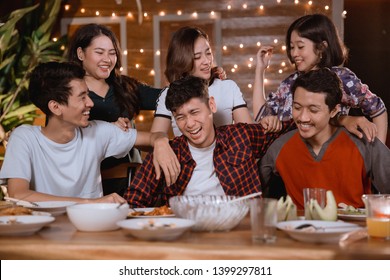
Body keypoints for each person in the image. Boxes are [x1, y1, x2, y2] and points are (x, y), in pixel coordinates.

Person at [0, 62, 179, 203]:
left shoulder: (97, 132)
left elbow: (153, 137)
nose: (91, 104)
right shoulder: (24, 137)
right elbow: (18, 194)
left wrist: (161, 141)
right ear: (55, 107)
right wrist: (88, 203)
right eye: (82, 97)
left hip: (89, 229)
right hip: (39, 235)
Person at [124, 75, 295, 207]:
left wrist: (274, 121)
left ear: (211, 105)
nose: (190, 124)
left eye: (195, 112)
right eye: (181, 117)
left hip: (239, 231)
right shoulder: (169, 152)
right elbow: (132, 202)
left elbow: (297, 126)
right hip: (186, 236)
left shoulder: (240, 136)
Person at [259, 68, 390, 210]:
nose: (302, 117)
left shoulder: (364, 143)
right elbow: (252, 195)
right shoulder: (279, 148)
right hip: (300, 230)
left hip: (357, 229)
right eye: (297, 107)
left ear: (334, 110)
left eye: (313, 110)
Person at [253, 13, 388, 143]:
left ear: (321, 47)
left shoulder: (342, 78)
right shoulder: (289, 83)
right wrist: (260, 70)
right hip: (291, 158)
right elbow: (262, 116)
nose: (294, 53)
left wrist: (378, 155)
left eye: (300, 47)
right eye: (292, 47)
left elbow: (378, 109)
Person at [67, 24, 164, 196]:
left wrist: (207, 80)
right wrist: (110, 131)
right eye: (99, 52)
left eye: (112, 53)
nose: (107, 59)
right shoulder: (67, 91)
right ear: (80, 53)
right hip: (84, 188)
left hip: (131, 184)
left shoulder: (126, 87)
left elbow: (170, 97)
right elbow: (59, 139)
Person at [151, 26, 253, 137]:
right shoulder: (169, 94)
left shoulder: (228, 87)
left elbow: (249, 134)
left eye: (208, 53)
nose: (207, 61)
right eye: (197, 57)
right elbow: (155, 140)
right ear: (182, 61)